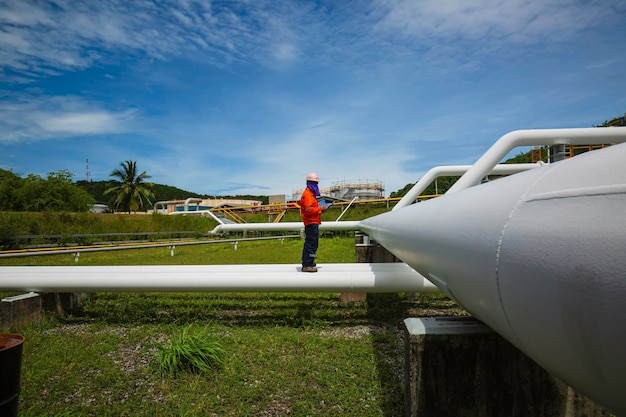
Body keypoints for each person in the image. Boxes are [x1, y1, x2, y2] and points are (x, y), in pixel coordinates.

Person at [299, 172, 327, 272]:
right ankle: (307, 264)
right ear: (310, 183)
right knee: (311, 244)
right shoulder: (308, 195)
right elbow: (308, 210)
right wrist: (320, 208)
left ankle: (309, 262)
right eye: (315, 183)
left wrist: (320, 209)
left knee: (313, 243)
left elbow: (311, 209)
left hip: (313, 221)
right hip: (311, 222)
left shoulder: (310, 194)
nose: (316, 186)